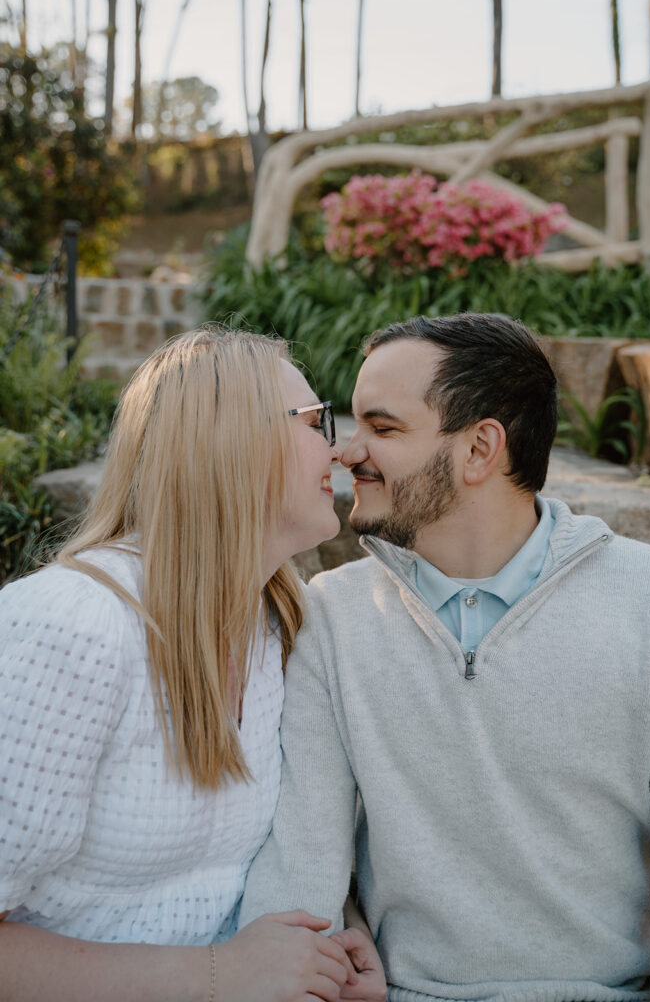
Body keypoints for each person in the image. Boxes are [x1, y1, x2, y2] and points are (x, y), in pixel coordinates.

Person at [239, 312, 650, 1001]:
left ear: (480, 449)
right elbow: (300, 862)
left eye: (382, 429)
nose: (347, 452)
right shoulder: (329, 615)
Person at [0, 326, 384, 1002]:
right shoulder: (67, 626)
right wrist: (217, 976)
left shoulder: (282, 625)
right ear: (231, 440)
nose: (340, 446)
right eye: (316, 420)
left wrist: (331, 947)